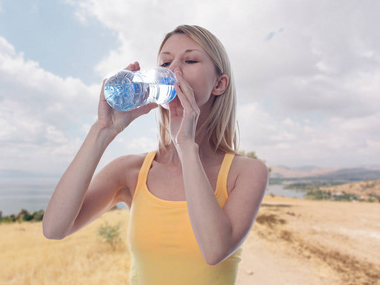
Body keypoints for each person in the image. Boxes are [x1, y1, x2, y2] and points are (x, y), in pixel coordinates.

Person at [43, 25, 268, 285]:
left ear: (219, 84)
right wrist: (103, 130)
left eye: (190, 60)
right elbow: (54, 229)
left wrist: (185, 145)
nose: (173, 71)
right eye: (166, 61)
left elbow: (214, 250)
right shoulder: (132, 171)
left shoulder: (247, 173)